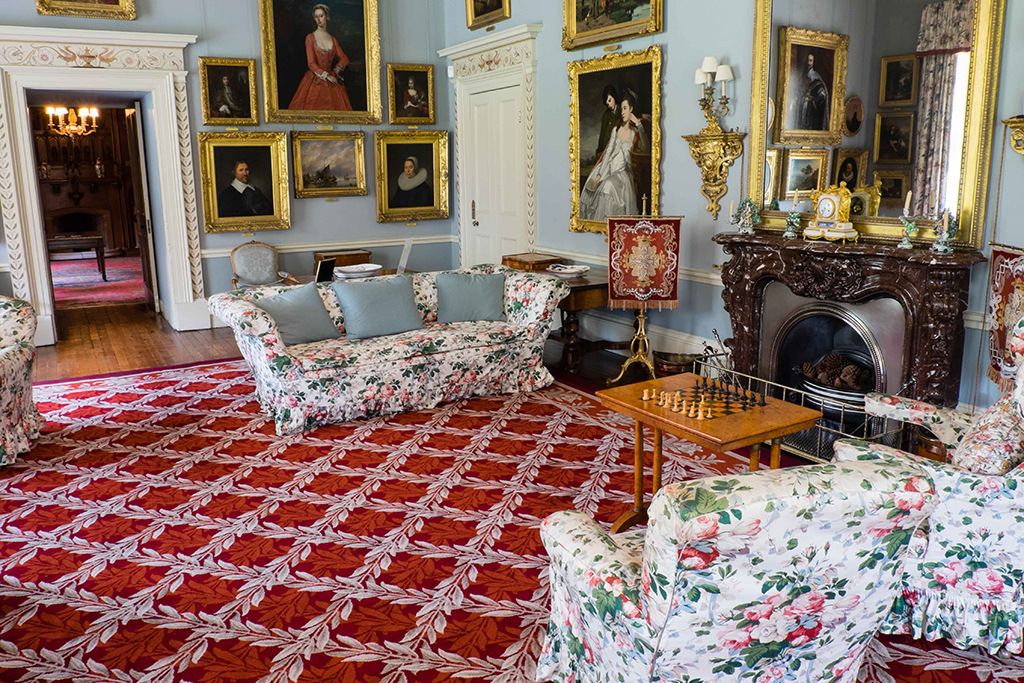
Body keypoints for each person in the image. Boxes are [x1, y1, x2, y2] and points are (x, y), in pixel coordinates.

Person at [579, 89, 649, 222]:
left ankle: (610, 224)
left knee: (608, 186)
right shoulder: (615, 130)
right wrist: (600, 173)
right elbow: (608, 154)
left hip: (623, 173)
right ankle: (601, 225)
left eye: (625, 108)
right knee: (596, 183)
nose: (622, 112)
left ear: (631, 109)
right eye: (621, 108)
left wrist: (639, 125)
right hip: (608, 169)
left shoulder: (635, 132)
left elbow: (645, 148)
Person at [288, 4, 353, 112]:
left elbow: (344, 58)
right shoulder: (310, 38)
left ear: (326, 16)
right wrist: (326, 75)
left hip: (332, 80)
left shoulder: (333, 39)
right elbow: (311, 63)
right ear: (314, 18)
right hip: (315, 80)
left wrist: (337, 70)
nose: (319, 19)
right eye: (316, 16)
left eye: (321, 16)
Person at [796, 52, 829, 131]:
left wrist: (813, 100)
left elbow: (823, 94)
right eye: (807, 60)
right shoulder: (803, 75)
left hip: (811, 112)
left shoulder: (816, 77)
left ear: (814, 62)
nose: (808, 63)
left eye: (811, 61)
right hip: (803, 109)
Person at [596, 84, 619, 162]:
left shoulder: (622, 110)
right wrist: (599, 150)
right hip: (607, 149)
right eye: (606, 103)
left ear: (614, 97)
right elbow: (602, 134)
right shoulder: (606, 115)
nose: (608, 104)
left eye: (609, 100)